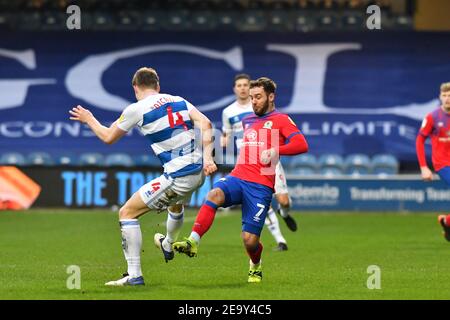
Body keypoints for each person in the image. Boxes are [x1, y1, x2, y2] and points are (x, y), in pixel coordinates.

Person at [69, 67, 217, 286]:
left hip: (179, 175)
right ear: (158, 85)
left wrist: (89, 119)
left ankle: (134, 275)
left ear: (135, 87)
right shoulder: (178, 100)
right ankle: (168, 243)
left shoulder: (136, 109)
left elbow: (108, 137)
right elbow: (206, 123)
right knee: (175, 206)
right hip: (197, 172)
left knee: (127, 212)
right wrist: (209, 159)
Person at [173, 77, 309, 283]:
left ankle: (255, 265)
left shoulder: (281, 119)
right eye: (252, 97)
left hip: (261, 185)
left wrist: (275, 150)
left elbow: (301, 144)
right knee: (214, 194)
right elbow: (233, 140)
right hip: (238, 176)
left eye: (258, 97)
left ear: (271, 97)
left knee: (249, 241)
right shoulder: (248, 120)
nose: (253, 101)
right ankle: (193, 241)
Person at [221, 73, 297, 251]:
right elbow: (227, 135)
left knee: (284, 201)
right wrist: (218, 144)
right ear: (234, 89)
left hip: (269, 160)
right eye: (239, 85)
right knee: (263, 201)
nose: (242, 88)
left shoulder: (259, 107)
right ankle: (281, 240)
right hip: (248, 162)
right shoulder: (228, 112)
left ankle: (284, 213)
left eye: (245, 85)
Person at [416, 82, 450, 241]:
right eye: (444, 95)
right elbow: (419, 140)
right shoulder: (433, 117)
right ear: (440, 97)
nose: (447, 98)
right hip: (443, 164)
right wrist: (424, 167)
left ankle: (446, 221)